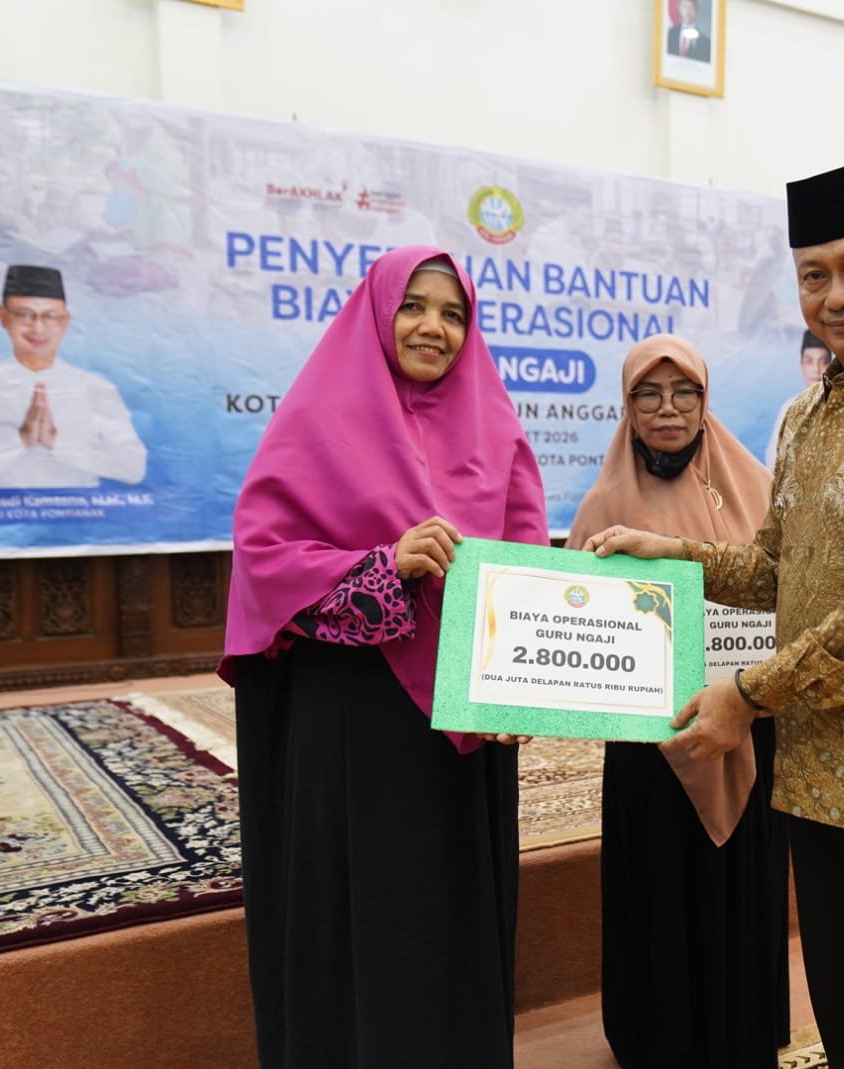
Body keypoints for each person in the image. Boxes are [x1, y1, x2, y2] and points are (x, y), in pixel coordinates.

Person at [584, 156, 844, 1067]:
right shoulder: (814, 413)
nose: (835, 296)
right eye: (813, 276)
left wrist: (744, 694)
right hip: (816, 768)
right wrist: (678, 557)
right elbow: (781, 566)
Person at [220, 245, 549, 1066]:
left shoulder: (496, 427)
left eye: (454, 313)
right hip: (357, 722)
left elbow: (527, 565)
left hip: (462, 725)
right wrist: (379, 565)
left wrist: (528, 688)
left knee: (450, 908)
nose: (434, 327)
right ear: (377, 312)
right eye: (415, 306)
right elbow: (265, 559)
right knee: (363, 906)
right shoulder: (318, 417)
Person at [566, 334, 788, 1069]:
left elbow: (788, 590)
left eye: (683, 393)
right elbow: (570, 623)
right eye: (647, 395)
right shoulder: (605, 502)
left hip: (747, 723)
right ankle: (656, 1034)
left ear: (703, 401)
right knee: (659, 881)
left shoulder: (755, 486)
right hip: (646, 743)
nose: (667, 410)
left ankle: (740, 1028)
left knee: (739, 882)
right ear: (626, 408)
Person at [0, 265, 147, 488]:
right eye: (25, 315)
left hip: (73, 518)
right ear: (3, 317)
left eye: (50, 316)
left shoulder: (95, 388)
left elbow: (133, 468)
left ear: (65, 320)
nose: (38, 329)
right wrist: (19, 441)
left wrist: (57, 444)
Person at [764, 329, 834, 466]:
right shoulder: (789, 407)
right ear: (801, 366)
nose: (816, 369)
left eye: (822, 362)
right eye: (809, 362)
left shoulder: (841, 405)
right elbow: (772, 458)